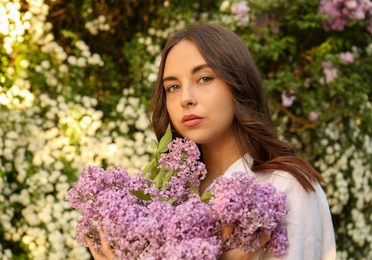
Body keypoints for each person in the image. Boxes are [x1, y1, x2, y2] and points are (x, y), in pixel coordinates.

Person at [86, 22, 337, 259]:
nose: (186, 98)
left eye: (204, 78)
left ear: (238, 84)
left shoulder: (286, 188)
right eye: (172, 87)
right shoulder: (163, 197)